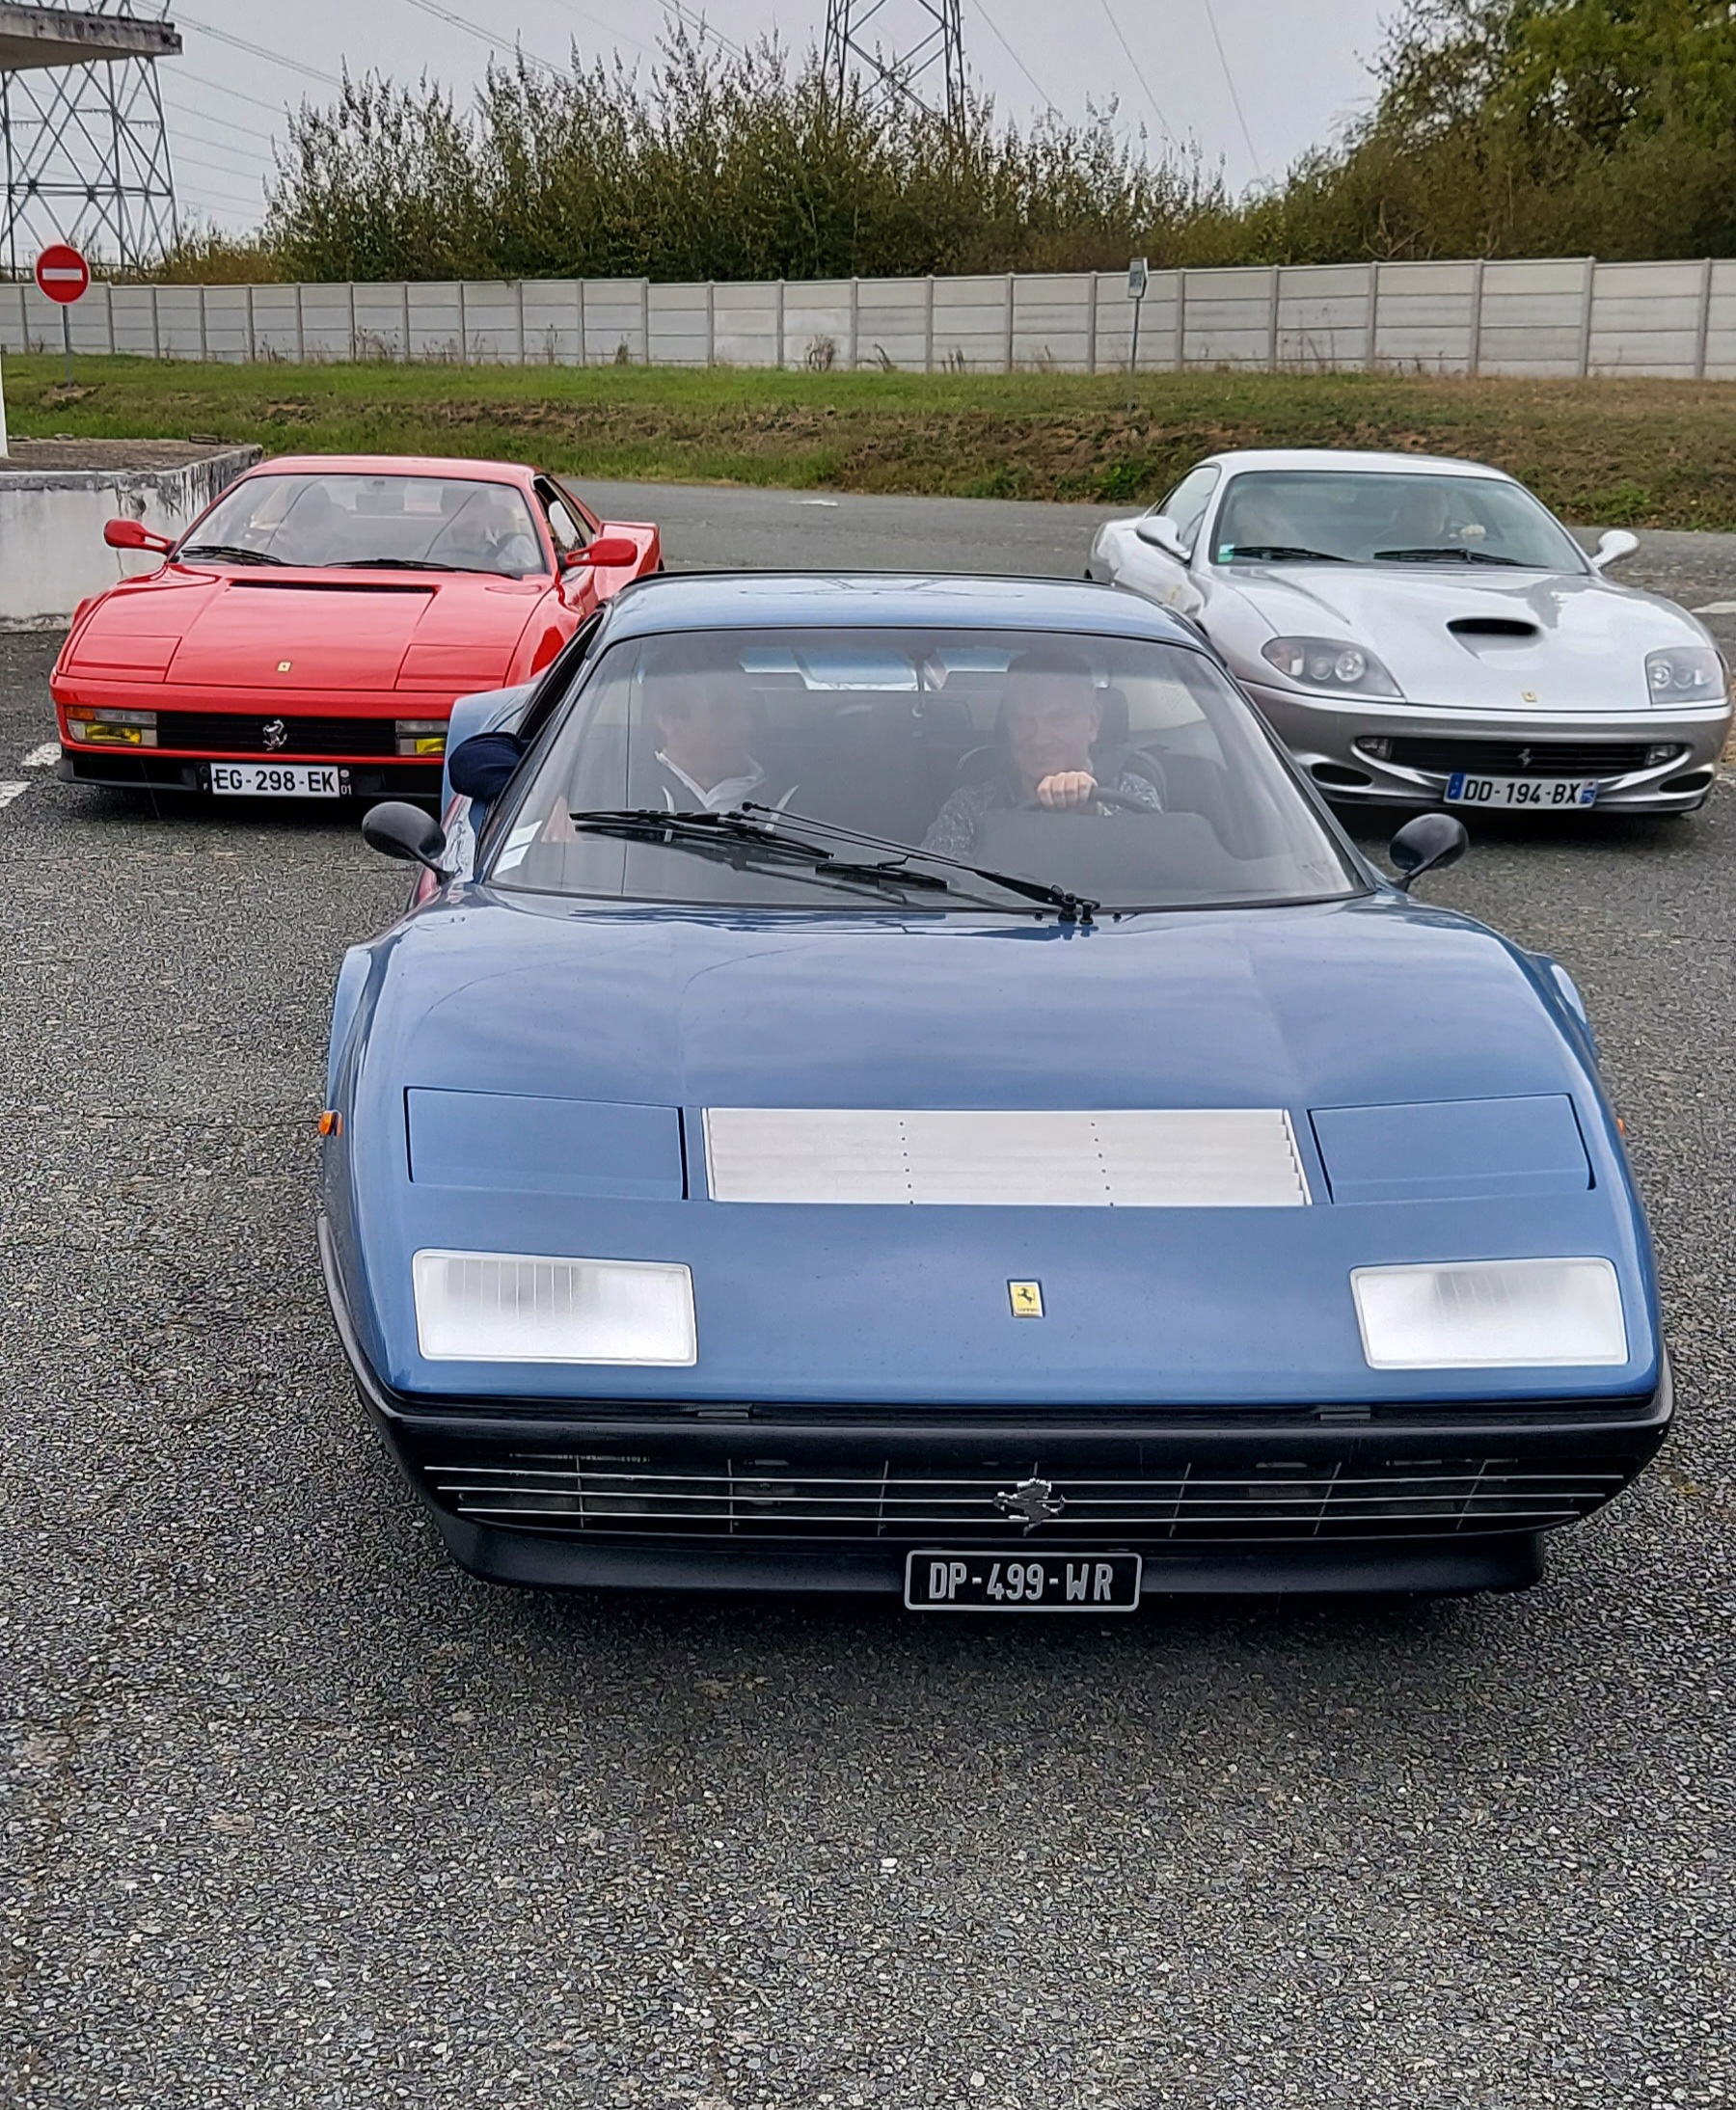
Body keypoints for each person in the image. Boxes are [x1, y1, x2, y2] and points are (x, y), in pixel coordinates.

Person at [922, 647, 1157, 858]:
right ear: (1007, 725)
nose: (1039, 739)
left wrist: (1094, 814)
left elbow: (1154, 873)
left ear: (1093, 722)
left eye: (1058, 720)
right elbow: (933, 884)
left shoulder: (1132, 794)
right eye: (1022, 720)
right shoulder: (972, 807)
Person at [637, 637, 798, 815]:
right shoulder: (626, 794)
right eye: (724, 710)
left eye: (749, 710)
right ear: (667, 719)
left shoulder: (799, 801)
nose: (746, 725)